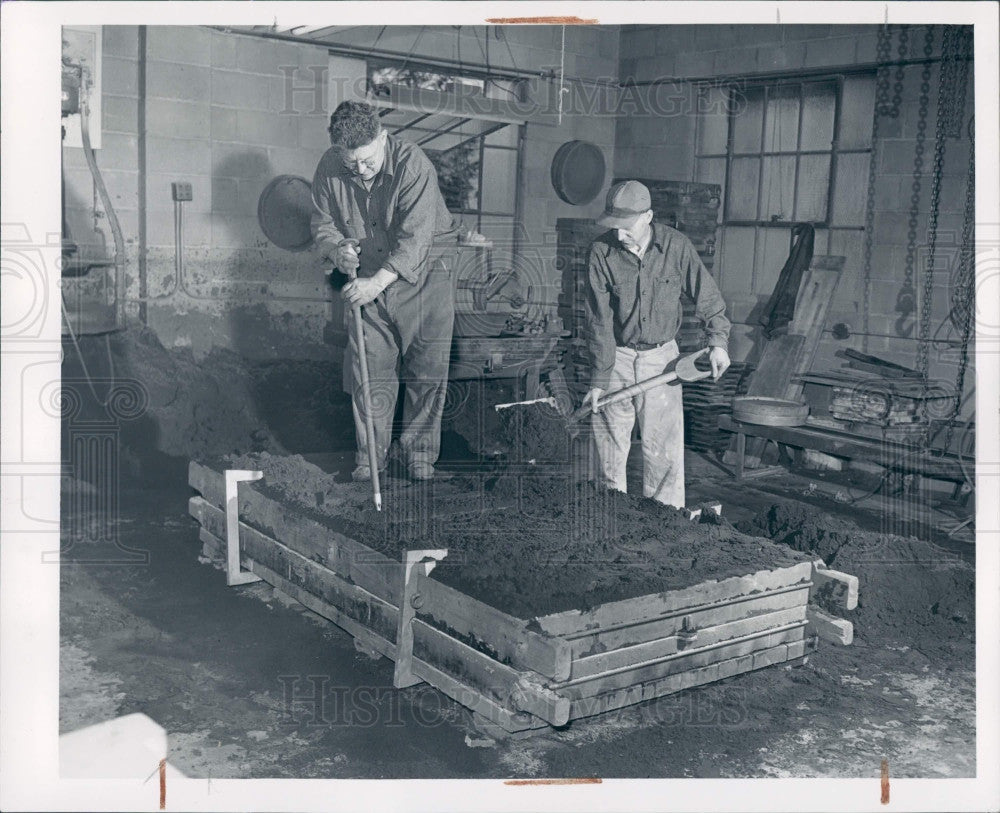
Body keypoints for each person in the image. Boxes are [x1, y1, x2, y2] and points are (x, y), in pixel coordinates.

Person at [311, 101, 457, 481]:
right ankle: (370, 458)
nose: (360, 170)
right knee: (369, 370)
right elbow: (323, 224)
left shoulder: (414, 165)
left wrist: (375, 283)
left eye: (368, 161)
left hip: (425, 276)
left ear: (384, 138)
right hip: (369, 276)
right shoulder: (330, 167)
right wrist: (337, 250)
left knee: (426, 369)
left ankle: (420, 454)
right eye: (351, 163)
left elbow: (415, 240)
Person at [582, 180, 732, 508]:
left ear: (648, 216)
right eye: (614, 226)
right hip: (617, 359)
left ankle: (665, 523)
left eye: (626, 227)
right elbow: (599, 322)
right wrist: (599, 380)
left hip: (663, 361)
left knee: (663, 454)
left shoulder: (676, 247)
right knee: (609, 455)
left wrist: (718, 341)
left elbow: (706, 294)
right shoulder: (601, 252)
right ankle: (611, 515)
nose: (619, 235)